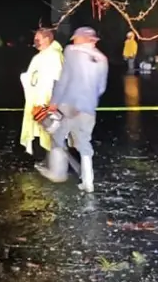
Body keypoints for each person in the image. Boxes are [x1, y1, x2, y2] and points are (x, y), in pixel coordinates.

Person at [38, 26, 108, 193]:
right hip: (89, 108)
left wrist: (54, 102)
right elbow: (101, 88)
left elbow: (64, 80)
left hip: (68, 105)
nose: (74, 41)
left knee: (57, 137)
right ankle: (88, 183)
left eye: (76, 38)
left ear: (80, 39)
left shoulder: (71, 51)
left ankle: (57, 173)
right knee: (85, 143)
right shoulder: (102, 59)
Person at [20, 27, 64, 166]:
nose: (35, 42)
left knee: (52, 131)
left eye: (38, 39)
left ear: (47, 39)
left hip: (49, 100)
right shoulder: (39, 57)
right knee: (41, 131)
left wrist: (54, 101)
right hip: (37, 99)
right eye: (34, 40)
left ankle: (58, 165)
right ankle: (46, 160)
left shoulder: (55, 56)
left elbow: (59, 79)